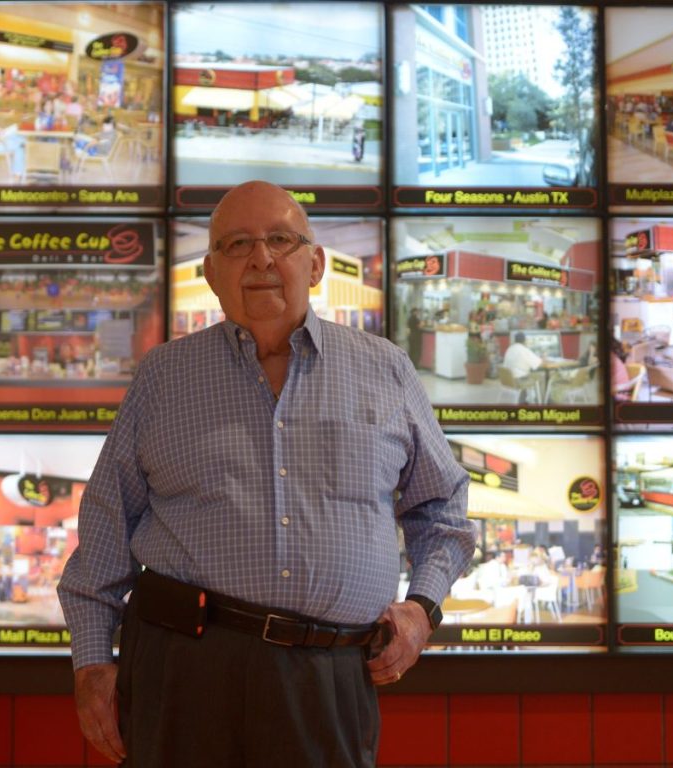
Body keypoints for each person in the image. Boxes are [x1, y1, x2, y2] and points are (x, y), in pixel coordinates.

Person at [58, 180, 474, 767]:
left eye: (281, 239)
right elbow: (104, 529)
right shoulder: (163, 378)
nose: (261, 258)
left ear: (316, 263)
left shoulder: (386, 371)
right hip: (182, 671)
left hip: (329, 677)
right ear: (209, 272)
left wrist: (420, 609)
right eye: (236, 245)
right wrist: (93, 662)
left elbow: (442, 509)